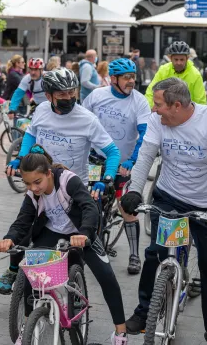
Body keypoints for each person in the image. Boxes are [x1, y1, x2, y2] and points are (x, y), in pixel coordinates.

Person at [120, 77, 207, 345]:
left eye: (158, 104)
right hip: (170, 197)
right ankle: (144, 312)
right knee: (156, 254)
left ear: (176, 105)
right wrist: (134, 191)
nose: (153, 109)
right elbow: (146, 156)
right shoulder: (157, 122)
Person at [0, 67, 121, 294]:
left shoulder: (87, 119)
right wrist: (21, 158)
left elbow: (112, 152)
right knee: (24, 227)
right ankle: (14, 268)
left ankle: (75, 287)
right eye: (62, 94)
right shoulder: (42, 110)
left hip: (71, 189)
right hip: (41, 182)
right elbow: (31, 135)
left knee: (75, 247)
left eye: (71, 92)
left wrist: (107, 178)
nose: (68, 98)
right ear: (50, 94)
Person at [0, 145, 129, 345]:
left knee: (106, 276)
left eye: (37, 182)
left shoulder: (68, 180)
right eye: (28, 183)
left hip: (81, 233)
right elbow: (23, 220)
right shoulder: (33, 193)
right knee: (30, 269)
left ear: (49, 173)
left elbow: (89, 207)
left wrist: (84, 233)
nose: (33, 188)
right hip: (52, 233)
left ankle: (121, 332)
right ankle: (28, 324)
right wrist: (9, 238)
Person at [82, 58, 151, 275]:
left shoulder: (139, 102)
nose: (131, 81)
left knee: (127, 207)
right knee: (92, 201)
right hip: (96, 159)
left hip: (123, 163)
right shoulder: (97, 96)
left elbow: (144, 135)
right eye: (126, 77)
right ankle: (95, 243)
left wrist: (132, 161)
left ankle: (134, 254)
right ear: (113, 79)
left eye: (133, 76)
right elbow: (81, 122)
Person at [145, 41, 206, 107]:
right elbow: (151, 92)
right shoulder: (163, 70)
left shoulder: (195, 74)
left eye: (182, 60)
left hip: (187, 114)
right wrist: (148, 109)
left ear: (187, 58)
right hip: (165, 112)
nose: (179, 63)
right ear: (170, 58)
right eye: (176, 59)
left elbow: (200, 101)